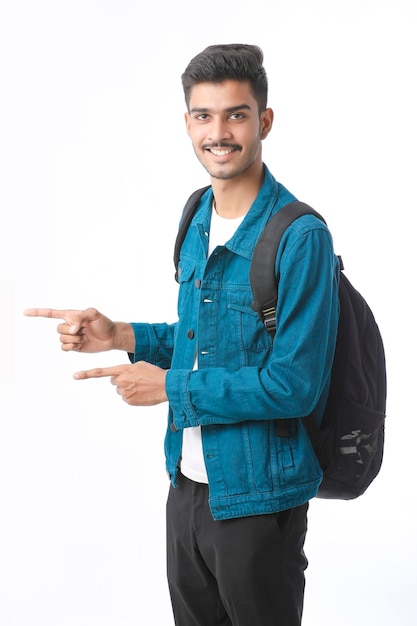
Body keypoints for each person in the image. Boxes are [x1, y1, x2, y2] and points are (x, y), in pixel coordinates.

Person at [25, 44, 340, 626]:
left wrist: (171, 387)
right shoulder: (196, 213)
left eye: (236, 115)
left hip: (259, 498)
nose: (218, 132)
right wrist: (120, 334)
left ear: (264, 121)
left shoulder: (301, 237)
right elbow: (209, 342)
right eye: (203, 116)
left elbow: (293, 385)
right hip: (188, 486)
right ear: (187, 123)